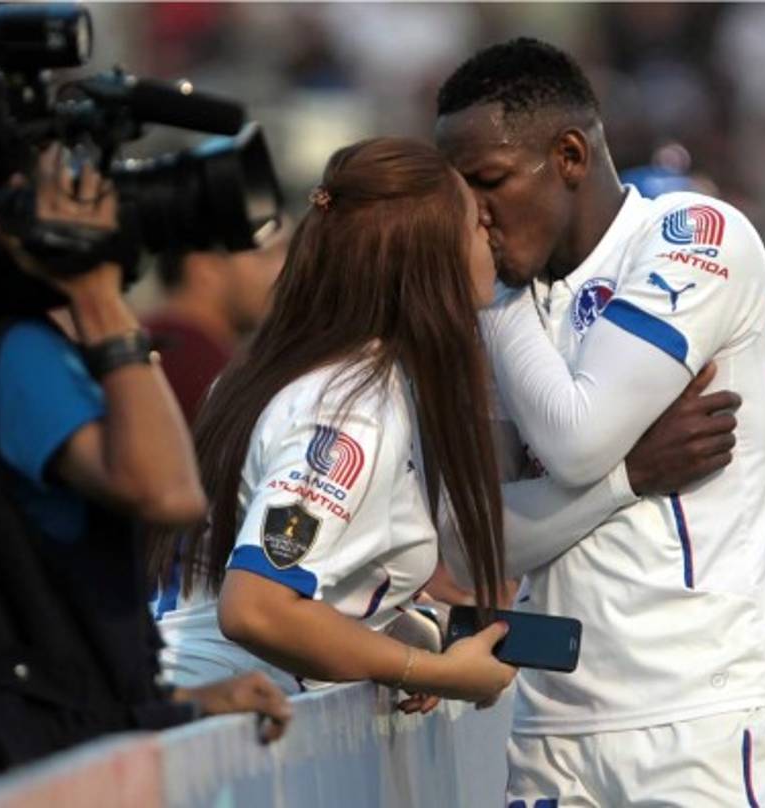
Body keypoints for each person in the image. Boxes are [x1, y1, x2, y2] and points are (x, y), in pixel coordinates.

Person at [0, 146, 290, 808]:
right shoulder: (12, 355)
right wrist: (98, 295)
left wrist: (176, 705)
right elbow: (168, 491)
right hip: (28, 774)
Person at [435, 39, 765, 806]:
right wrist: (629, 477)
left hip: (696, 717)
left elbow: (574, 440)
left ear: (569, 154)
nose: (473, 217)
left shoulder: (693, 236)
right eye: (458, 195)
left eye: (490, 183)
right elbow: (469, 545)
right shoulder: (507, 297)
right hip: (548, 728)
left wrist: (493, 304)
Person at [150, 138, 518, 711]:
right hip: (219, 729)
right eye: (474, 223)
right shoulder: (349, 408)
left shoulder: (287, 368)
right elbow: (257, 607)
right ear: (429, 257)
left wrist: (396, 633)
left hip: (196, 712)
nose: (489, 237)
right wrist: (429, 672)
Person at [144, 229, 288, 424]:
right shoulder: (202, 367)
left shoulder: (143, 341)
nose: (280, 271)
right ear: (204, 268)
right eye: (264, 256)